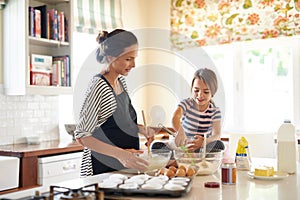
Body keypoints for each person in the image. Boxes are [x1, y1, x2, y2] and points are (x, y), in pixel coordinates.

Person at [74, 29, 155, 176]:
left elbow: (118, 123)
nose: (134, 64)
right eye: (128, 59)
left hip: (121, 169)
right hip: (101, 170)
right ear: (111, 57)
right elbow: (82, 136)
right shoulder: (98, 86)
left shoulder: (121, 81)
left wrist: (141, 129)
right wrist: (122, 155)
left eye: (134, 58)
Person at [172, 68, 225, 152]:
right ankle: (181, 156)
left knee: (219, 145)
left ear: (212, 92)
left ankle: (190, 157)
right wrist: (180, 131)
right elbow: (175, 117)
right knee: (157, 146)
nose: (200, 95)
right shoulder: (186, 104)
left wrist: (204, 142)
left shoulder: (215, 111)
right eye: (196, 90)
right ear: (192, 89)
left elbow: (217, 135)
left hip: (202, 148)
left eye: (206, 92)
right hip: (184, 146)